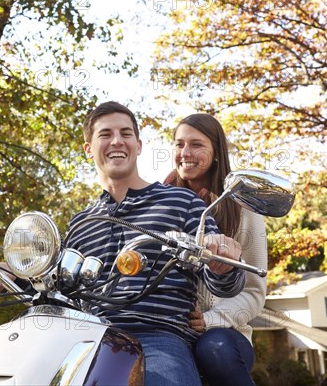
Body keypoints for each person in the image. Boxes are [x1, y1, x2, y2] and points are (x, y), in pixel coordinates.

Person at [65, 101, 246, 386]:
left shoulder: (183, 203)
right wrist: (16, 274)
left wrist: (223, 266)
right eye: (105, 134)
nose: (116, 141)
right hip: (91, 340)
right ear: (88, 149)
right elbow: (60, 289)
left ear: (138, 145)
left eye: (126, 133)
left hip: (159, 337)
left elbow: (225, 284)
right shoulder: (80, 223)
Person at [165, 113, 268, 386]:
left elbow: (255, 291)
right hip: (165, 328)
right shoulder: (160, 201)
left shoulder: (244, 208)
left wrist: (210, 320)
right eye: (179, 144)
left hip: (224, 334)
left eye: (196, 145)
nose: (185, 153)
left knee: (214, 350)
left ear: (216, 153)